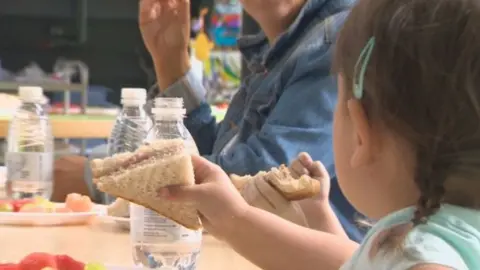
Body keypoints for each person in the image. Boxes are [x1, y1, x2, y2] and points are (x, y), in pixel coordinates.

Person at [159, 0, 480, 268]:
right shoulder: (419, 236)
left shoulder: (425, 251)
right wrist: (318, 219)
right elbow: (347, 261)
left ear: (361, 133)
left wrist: (235, 219)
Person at [53, 0, 364, 241]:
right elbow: (222, 159)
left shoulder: (337, 39)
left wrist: (101, 180)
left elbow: (263, 182)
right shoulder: (290, 43)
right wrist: (171, 63)